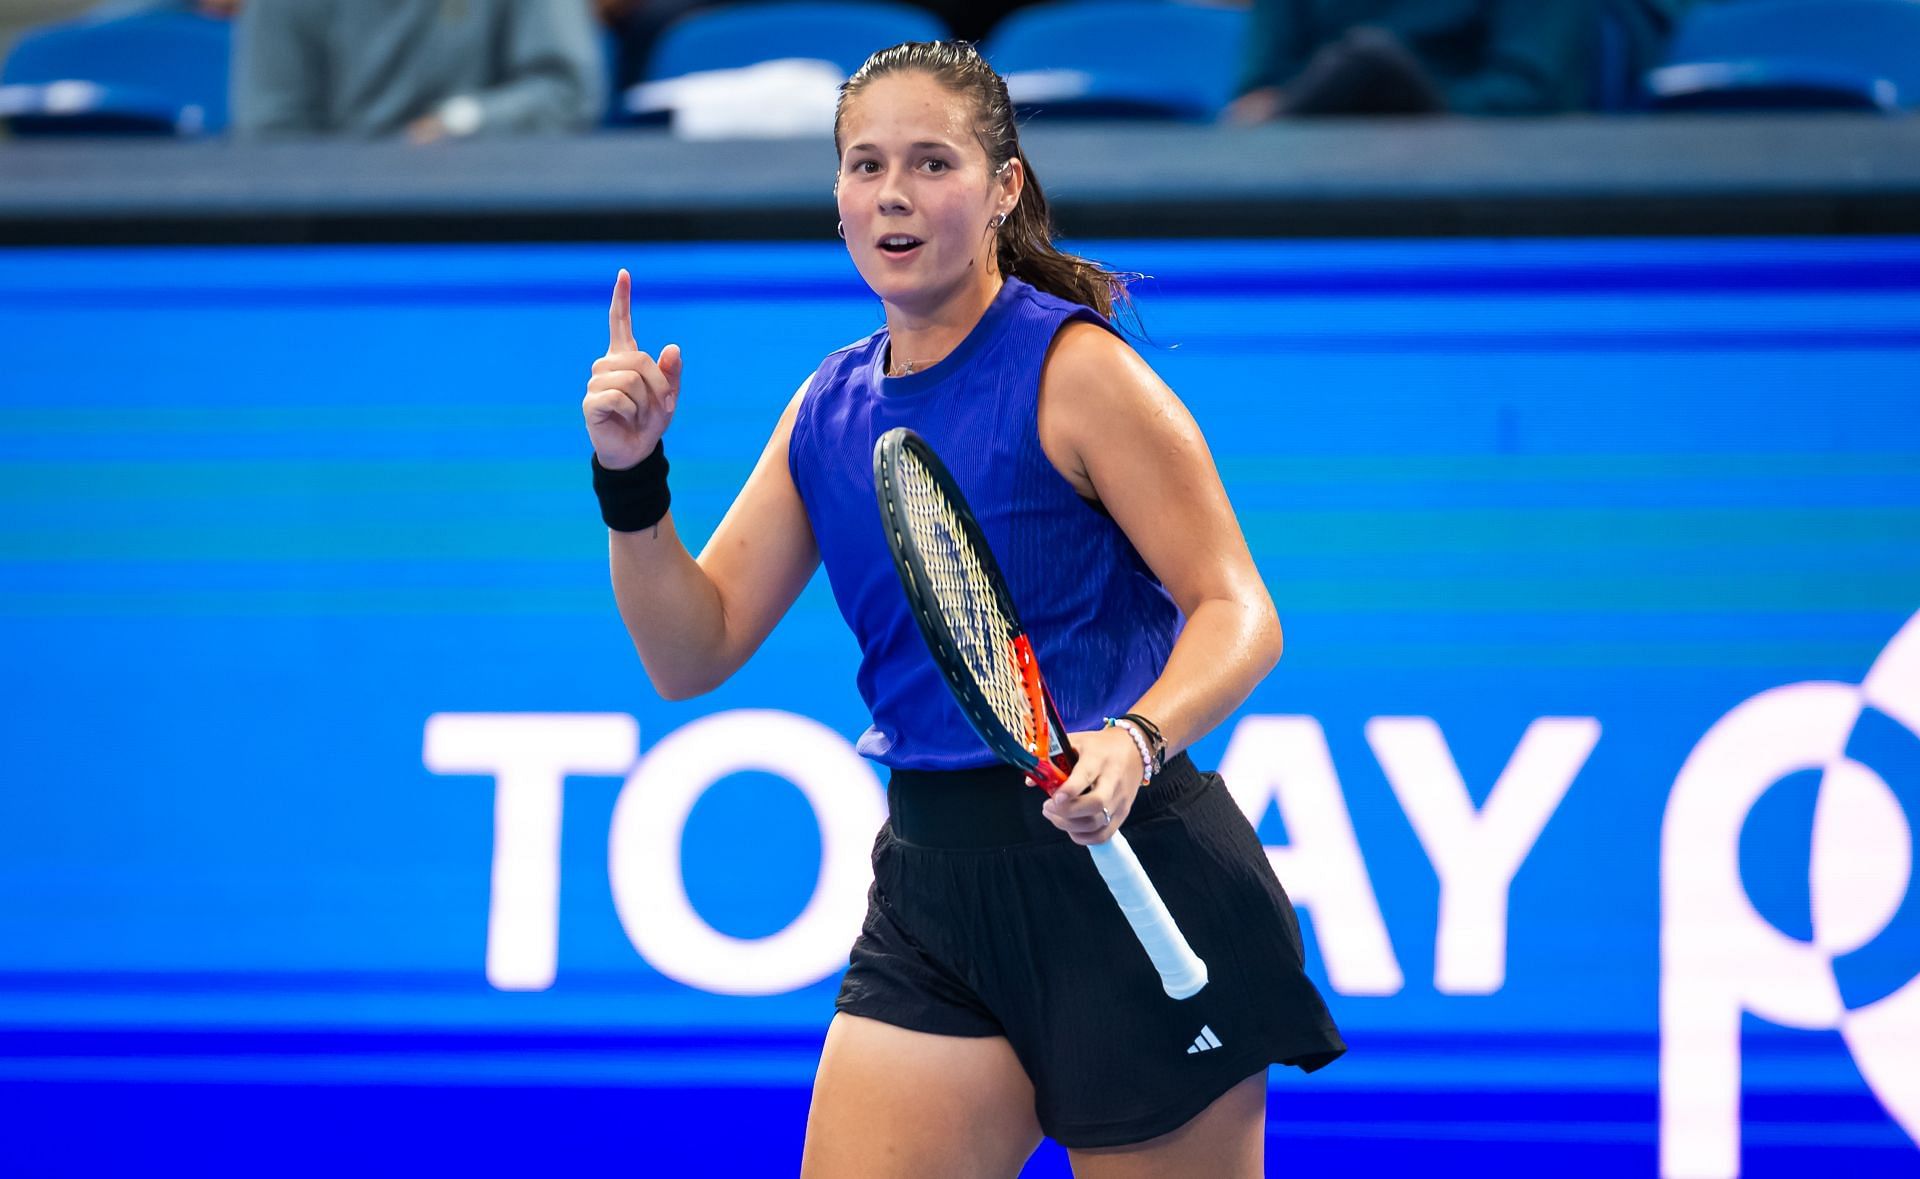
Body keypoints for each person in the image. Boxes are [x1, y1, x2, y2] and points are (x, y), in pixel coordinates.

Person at [582, 39, 1344, 1177]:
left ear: (1003, 190)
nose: (892, 193)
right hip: (936, 895)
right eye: (864, 165)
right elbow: (690, 651)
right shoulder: (826, 410)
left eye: (933, 163)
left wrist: (1135, 742)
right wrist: (633, 483)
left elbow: (1237, 607)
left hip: (1132, 885)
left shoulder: (1076, 375)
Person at [232, 0, 602, 143]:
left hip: (496, 218)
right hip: (331, 236)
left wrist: (462, 122)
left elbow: (567, 91)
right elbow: (274, 132)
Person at [1224, 0, 1598, 122]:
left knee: (1370, 59)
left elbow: (1528, 92)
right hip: (1310, 161)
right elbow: (1259, 96)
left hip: (1478, 175)